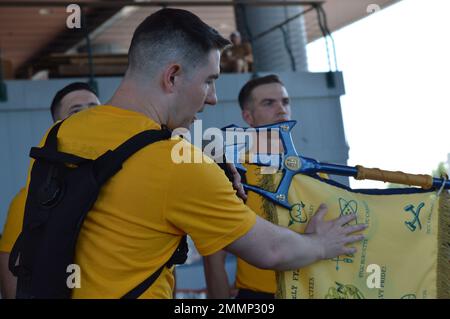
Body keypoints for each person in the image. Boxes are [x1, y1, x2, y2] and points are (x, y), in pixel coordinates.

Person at [14, 9, 365, 299]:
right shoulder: (179, 165)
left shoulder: (58, 133)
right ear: (173, 77)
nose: (212, 97)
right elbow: (270, 251)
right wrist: (321, 244)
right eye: (209, 80)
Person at [203, 75, 329, 299]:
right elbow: (214, 257)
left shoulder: (316, 173)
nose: (281, 109)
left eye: (285, 102)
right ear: (248, 116)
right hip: (257, 296)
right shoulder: (233, 172)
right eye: (269, 103)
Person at [0, 82, 100, 299]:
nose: (89, 116)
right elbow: (13, 275)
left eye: (94, 107)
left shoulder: (130, 174)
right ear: (58, 126)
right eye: (76, 111)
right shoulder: (30, 199)